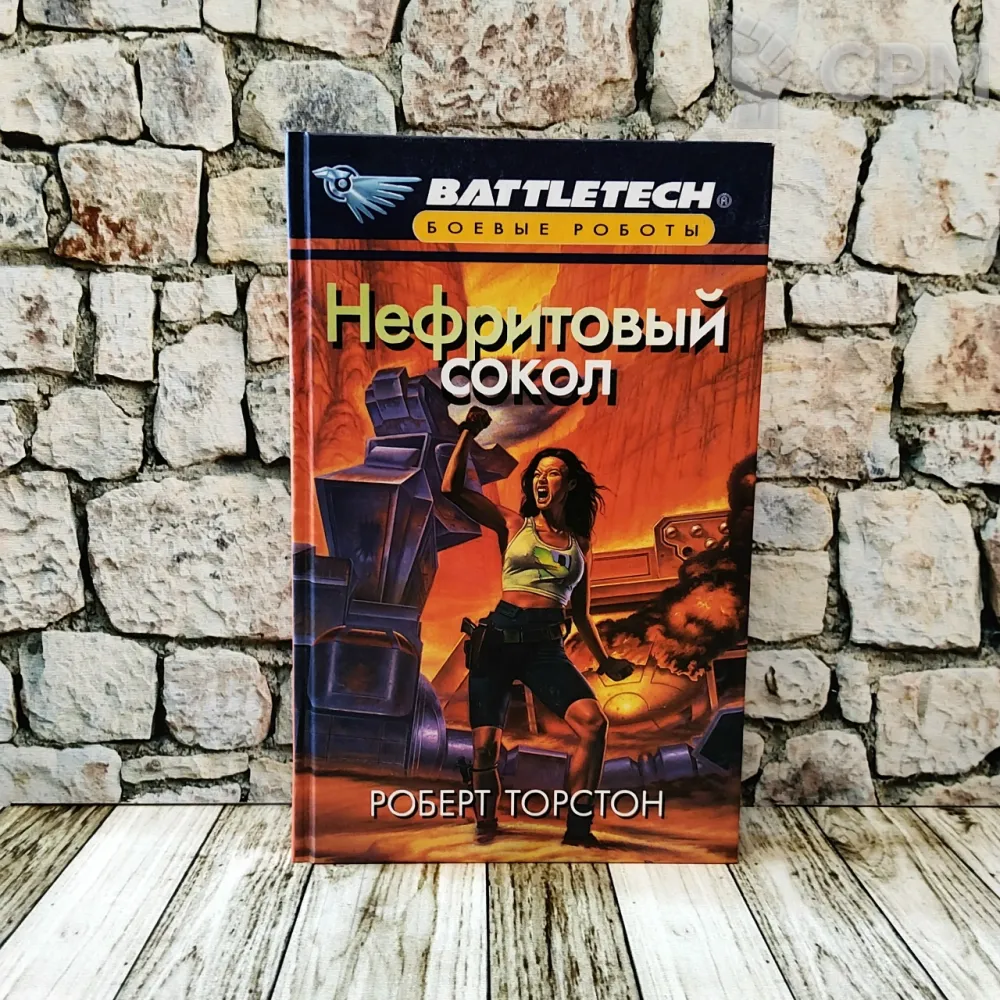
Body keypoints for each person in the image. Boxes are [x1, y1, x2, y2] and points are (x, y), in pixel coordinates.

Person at [442, 405, 634, 847]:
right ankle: (486, 823)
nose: (542, 481)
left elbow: (581, 614)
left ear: (570, 484)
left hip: (546, 647)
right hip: (497, 640)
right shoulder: (514, 524)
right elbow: (452, 489)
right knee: (485, 748)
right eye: (537, 475)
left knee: (594, 725)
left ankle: (579, 829)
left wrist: (606, 662)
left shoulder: (580, 544)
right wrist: (467, 432)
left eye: (553, 474)